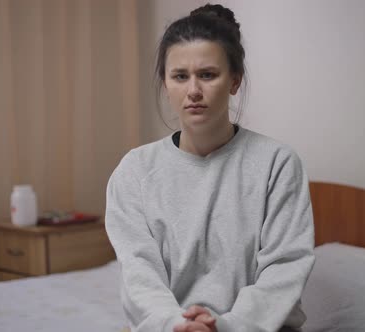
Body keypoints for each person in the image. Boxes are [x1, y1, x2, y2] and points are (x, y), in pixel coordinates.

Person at [105, 4, 315, 332]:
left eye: (207, 75)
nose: (193, 91)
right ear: (165, 84)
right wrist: (178, 325)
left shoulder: (277, 164)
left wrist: (224, 326)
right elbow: (139, 274)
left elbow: (283, 271)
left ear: (234, 81)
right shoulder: (134, 171)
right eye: (180, 76)